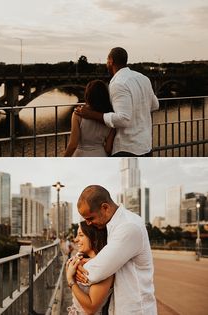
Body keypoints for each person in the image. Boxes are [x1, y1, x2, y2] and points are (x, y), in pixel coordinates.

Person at [76, 185, 157, 315]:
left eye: (90, 218)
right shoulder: (113, 225)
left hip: (135, 310)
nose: (89, 224)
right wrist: (91, 262)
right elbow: (103, 262)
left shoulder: (128, 226)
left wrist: (73, 268)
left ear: (105, 207)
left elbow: (96, 272)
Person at [75, 47, 159, 157]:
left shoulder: (118, 83)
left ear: (111, 61)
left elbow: (123, 119)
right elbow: (155, 105)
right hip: (145, 146)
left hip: (127, 149)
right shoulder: (143, 78)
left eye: (107, 60)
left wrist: (91, 114)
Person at [66, 221, 114, 315]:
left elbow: (91, 309)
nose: (76, 239)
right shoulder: (80, 259)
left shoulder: (103, 267)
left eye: (81, 235)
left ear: (94, 238)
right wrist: (70, 267)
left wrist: (70, 280)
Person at [64, 80, 115, 157]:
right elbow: (108, 148)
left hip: (81, 155)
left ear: (88, 95)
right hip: (100, 155)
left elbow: (73, 144)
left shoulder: (78, 114)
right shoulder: (110, 117)